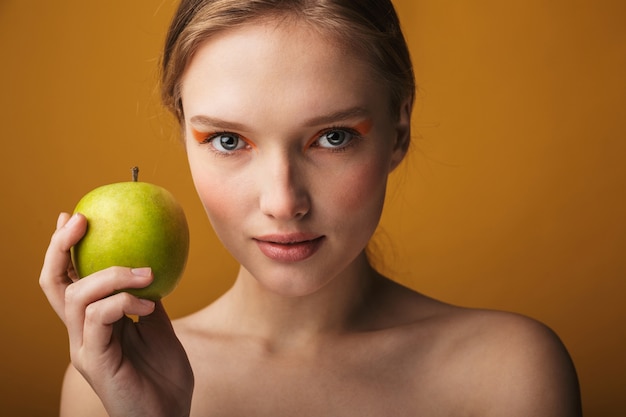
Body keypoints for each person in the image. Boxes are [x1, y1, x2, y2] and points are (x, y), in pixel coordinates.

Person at [39, 1, 582, 416]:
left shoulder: (510, 374)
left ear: (399, 129)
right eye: (228, 141)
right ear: (184, 133)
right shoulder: (104, 386)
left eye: (334, 136)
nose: (283, 203)